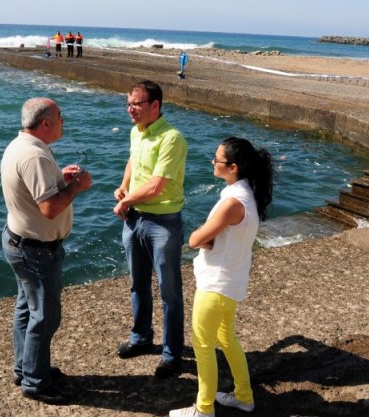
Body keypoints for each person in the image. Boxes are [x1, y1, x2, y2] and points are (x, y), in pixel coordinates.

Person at [169, 137, 274, 417]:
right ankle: (244, 396)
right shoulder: (247, 194)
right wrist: (210, 237)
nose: (213, 162)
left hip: (215, 284)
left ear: (234, 167)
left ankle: (203, 409)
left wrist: (203, 236)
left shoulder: (232, 202)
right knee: (226, 338)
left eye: (218, 160)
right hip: (231, 281)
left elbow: (194, 239)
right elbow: (218, 235)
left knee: (203, 345)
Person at [1, 97, 92, 405]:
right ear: (45, 124)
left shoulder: (23, 146)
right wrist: (76, 186)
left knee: (26, 308)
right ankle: (36, 382)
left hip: (19, 241)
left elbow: (39, 191)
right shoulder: (34, 157)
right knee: (46, 317)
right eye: (60, 117)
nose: (63, 121)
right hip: (36, 250)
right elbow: (50, 208)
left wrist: (60, 179)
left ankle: (25, 367)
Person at [113, 80, 188, 379]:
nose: (130, 109)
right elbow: (134, 159)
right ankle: (141, 337)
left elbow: (158, 185)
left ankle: (172, 354)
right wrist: (123, 186)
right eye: (129, 103)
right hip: (135, 219)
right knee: (137, 284)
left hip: (163, 223)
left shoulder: (172, 138)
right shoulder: (137, 131)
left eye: (136, 104)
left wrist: (125, 201)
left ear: (155, 105)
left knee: (169, 292)